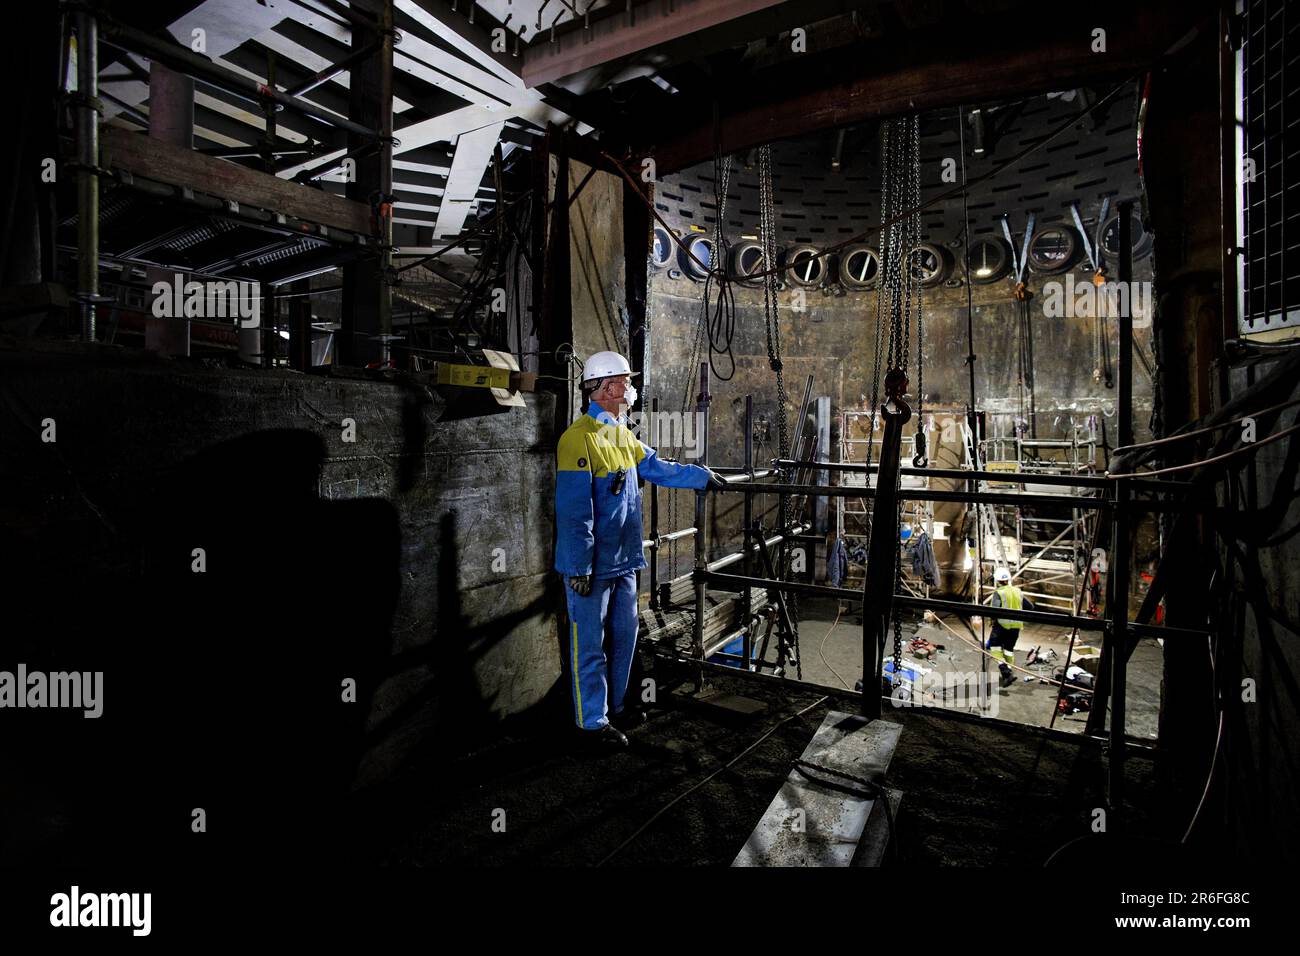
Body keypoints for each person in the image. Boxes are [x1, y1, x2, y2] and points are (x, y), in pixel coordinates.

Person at [554, 351, 726, 750]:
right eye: (627, 382)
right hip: (590, 569)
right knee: (589, 646)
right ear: (610, 387)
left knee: (623, 639)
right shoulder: (578, 439)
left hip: (623, 563)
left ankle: (617, 707)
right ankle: (591, 724)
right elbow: (574, 509)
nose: (631, 388)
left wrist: (702, 477)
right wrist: (577, 565)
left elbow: (657, 467)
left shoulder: (619, 434)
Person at [986, 566, 1033, 688]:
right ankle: (1009, 673)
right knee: (1008, 650)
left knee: (994, 648)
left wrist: (992, 620)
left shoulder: (999, 592)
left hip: (1002, 626)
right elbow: (1030, 607)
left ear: (997, 581)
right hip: (1016, 627)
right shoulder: (1018, 591)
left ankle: (1006, 672)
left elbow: (994, 610)